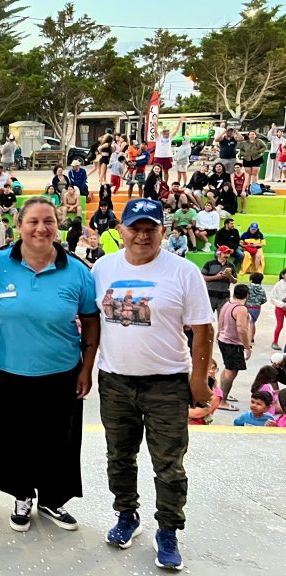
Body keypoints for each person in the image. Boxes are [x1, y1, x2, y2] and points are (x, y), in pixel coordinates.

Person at [91, 197, 214, 571]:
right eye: (135, 227)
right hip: (115, 381)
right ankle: (126, 515)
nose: (142, 235)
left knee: (169, 464)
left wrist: (198, 380)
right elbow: (92, 320)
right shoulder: (103, 267)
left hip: (166, 383)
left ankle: (169, 530)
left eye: (151, 228)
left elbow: (203, 329)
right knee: (119, 457)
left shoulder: (183, 271)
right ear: (121, 230)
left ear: (164, 230)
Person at [0, 196, 100, 533]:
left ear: (57, 226)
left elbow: (90, 320)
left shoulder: (76, 271)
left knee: (56, 440)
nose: (41, 228)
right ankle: (21, 495)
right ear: (19, 226)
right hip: (6, 372)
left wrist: (87, 368)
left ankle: (51, 499)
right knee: (13, 439)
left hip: (60, 373)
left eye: (48, 221)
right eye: (33, 221)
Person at [217, 284, 252, 412]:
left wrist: (219, 333)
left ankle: (220, 395)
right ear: (247, 295)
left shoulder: (228, 304)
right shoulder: (241, 309)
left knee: (227, 369)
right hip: (233, 344)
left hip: (223, 340)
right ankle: (222, 401)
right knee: (231, 372)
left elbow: (220, 320)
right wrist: (247, 347)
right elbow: (242, 329)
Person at [202, 245, 237, 312]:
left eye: (228, 253)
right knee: (207, 319)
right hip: (210, 296)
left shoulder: (231, 265)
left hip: (224, 297)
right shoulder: (209, 264)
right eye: (225, 253)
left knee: (222, 320)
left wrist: (230, 276)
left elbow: (235, 281)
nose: (227, 255)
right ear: (219, 254)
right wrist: (216, 277)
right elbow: (202, 277)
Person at [270, 269, 286, 350]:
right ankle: (275, 342)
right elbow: (272, 298)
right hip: (280, 309)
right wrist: (282, 305)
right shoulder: (278, 285)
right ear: (283, 275)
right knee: (280, 325)